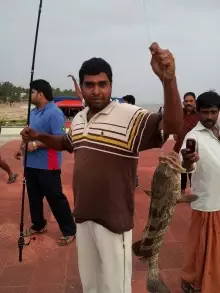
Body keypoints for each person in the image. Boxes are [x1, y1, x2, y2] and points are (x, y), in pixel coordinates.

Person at [20, 42, 183, 293]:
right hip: (83, 217)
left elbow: (171, 126)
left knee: (115, 287)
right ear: (82, 88)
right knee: (91, 285)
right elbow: (65, 142)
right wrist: (38, 135)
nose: (96, 90)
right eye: (89, 85)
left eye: (102, 84)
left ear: (111, 86)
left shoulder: (130, 115)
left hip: (114, 222)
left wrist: (168, 81)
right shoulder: (80, 118)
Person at [14, 79, 76, 246]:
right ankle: (39, 224)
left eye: (32, 92)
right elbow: (28, 134)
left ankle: (69, 230)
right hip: (30, 164)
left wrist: (36, 144)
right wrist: (22, 146)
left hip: (49, 165)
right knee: (33, 197)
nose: (30, 95)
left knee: (55, 198)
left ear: (40, 94)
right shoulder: (33, 112)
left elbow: (60, 139)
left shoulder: (55, 113)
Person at [180, 90, 220, 293]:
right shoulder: (193, 136)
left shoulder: (218, 130)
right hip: (208, 204)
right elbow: (187, 166)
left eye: (213, 112)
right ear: (197, 112)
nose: (209, 117)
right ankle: (197, 282)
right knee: (204, 250)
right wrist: (187, 161)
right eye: (205, 113)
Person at [173, 92, 199, 195]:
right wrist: (174, 131)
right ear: (183, 102)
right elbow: (173, 124)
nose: (188, 103)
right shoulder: (179, 113)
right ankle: (181, 194)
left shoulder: (199, 115)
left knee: (194, 174)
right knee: (180, 173)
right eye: (186, 101)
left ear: (195, 102)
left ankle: (194, 194)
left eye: (191, 101)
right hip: (179, 148)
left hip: (194, 150)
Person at [122, 94, 139, 188]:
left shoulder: (134, 113)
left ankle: (134, 181)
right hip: (126, 141)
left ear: (129, 103)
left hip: (132, 141)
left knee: (131, 161)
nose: (123, 104)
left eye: (124, 102)